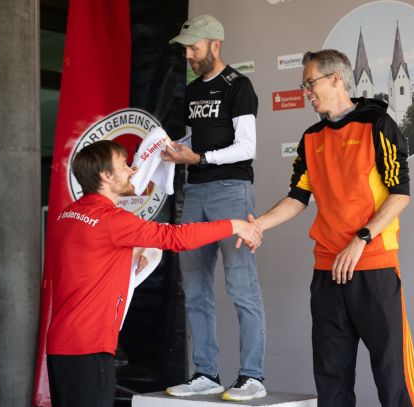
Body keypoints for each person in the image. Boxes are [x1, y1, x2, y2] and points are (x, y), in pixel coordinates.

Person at [250, 50, 414, 407]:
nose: (305, 92)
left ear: (335, 79)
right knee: (331, 377)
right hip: (327, 271)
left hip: (373, 265)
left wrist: (361, 239)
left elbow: (400, 194)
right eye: (303, 86)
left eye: (309, 83)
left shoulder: (377, 123)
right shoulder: (311, 137)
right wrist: (258, 225)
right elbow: (298, 197)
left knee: (393, 375)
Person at [44, 140, 261, 407]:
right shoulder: (113, 220)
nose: (132, 170)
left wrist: (133, 253)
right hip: (89, 347)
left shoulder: (67, 215)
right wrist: (234, 225)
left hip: (60, 345)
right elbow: (176, 237)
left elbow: (88, 260)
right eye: (123, 165)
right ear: (106, 176)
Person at [162, 14, 267, 401]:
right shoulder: (192, 91)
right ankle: (205, 372)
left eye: (194, 48)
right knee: (194, 287)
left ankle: (252, 376)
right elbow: (197, 138)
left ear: (215, 45)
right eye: (186, 50)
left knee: (241, 286)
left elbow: (247, 147)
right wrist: (177, 149)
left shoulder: (238, 85)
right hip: (195, 191)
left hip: (231, 191)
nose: (189, 55)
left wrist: (200, 158)